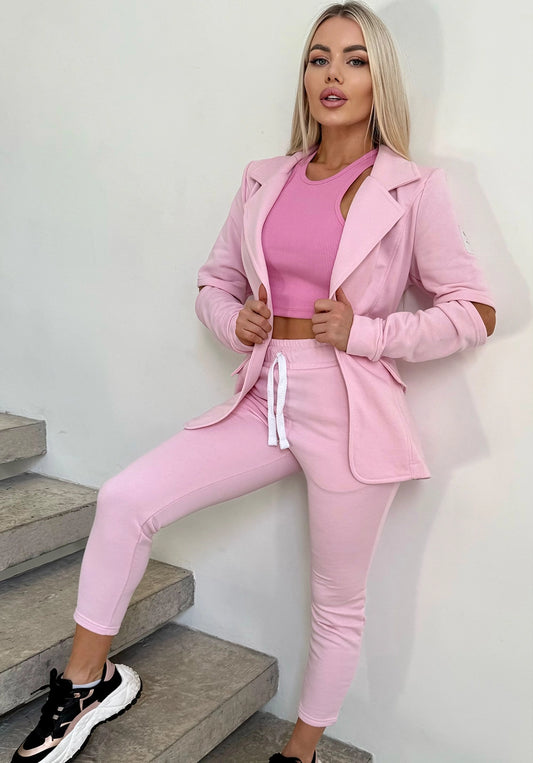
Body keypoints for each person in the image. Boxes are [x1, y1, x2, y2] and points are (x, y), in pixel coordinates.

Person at [12, 2, 496, 763]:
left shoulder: (413, 188)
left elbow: (474, 310)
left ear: (380, 80)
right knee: (126, 499)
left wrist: (367, 333)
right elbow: (213, 281)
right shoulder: (265, 179)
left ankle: (299, 751)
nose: (333, 74)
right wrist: (232, 319)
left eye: (355, 60)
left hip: (349, 413)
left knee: (336, 601)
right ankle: (85, 682)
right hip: (264, 396)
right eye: (319, 58)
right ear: (303, 76)